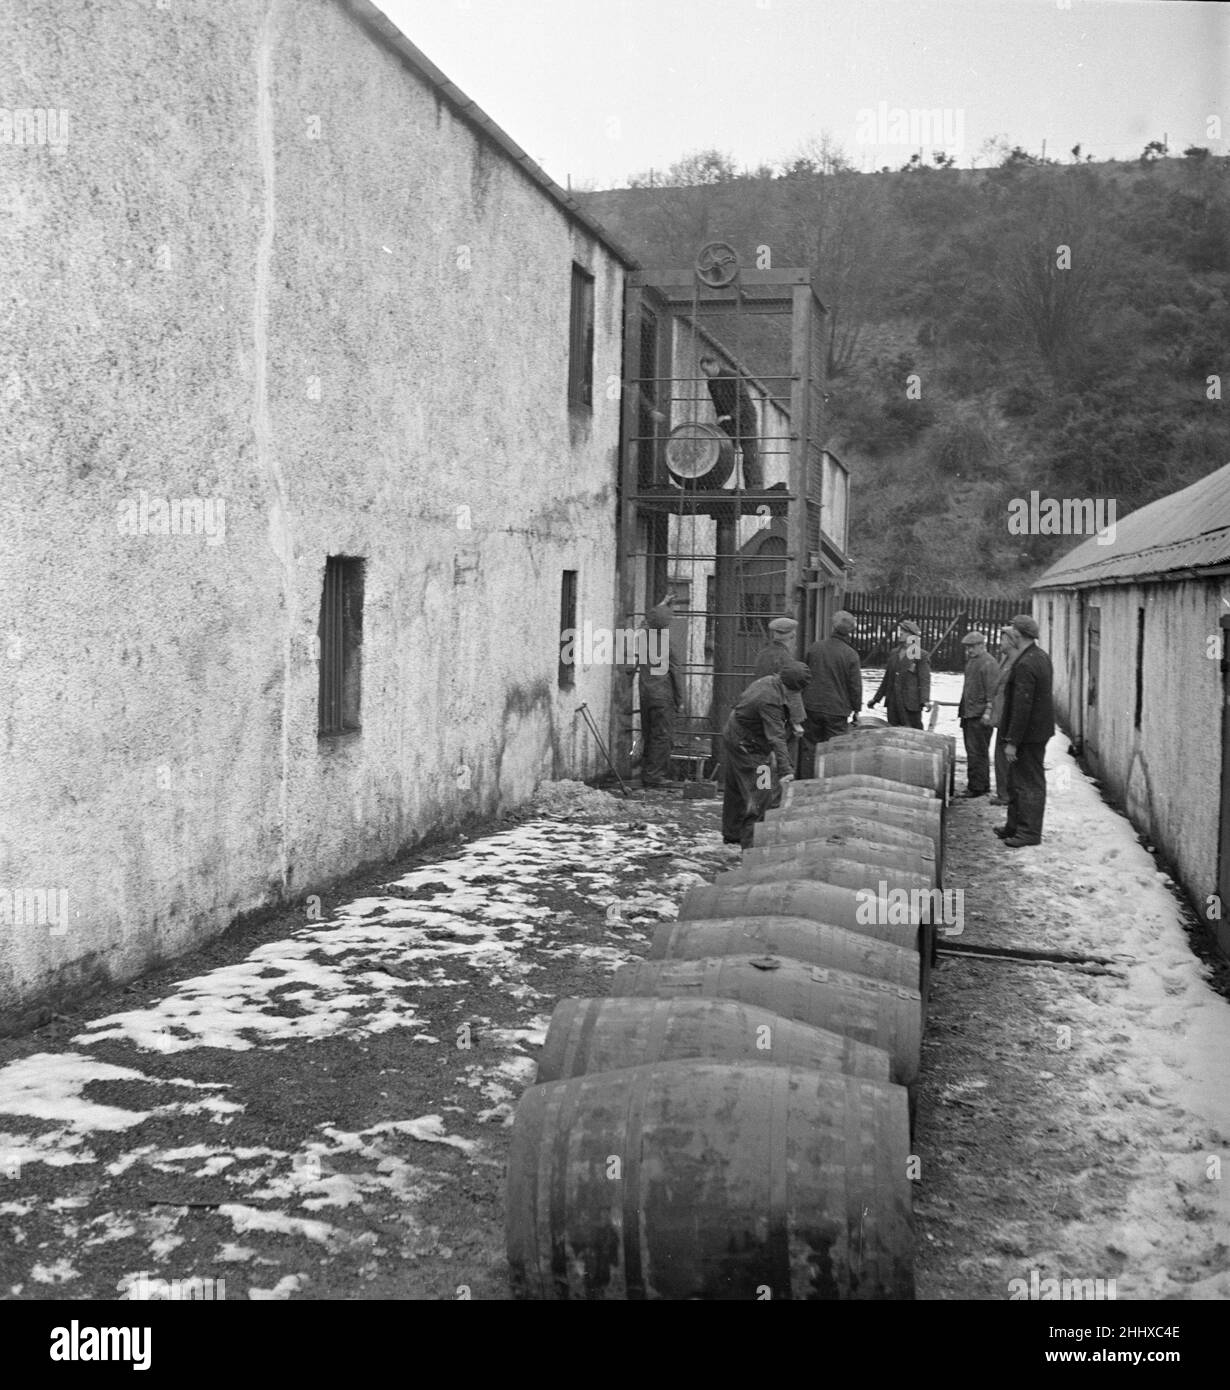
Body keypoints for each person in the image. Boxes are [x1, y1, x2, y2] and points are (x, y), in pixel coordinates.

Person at [721, 661, 812, 848]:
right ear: (790, 687)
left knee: (736, 788)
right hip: (748, 746)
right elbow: (776, 737)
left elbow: (788, 704)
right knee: (761, 792)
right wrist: (786, 770)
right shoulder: (769, 699)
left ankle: (732, 832)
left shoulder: (771, 681)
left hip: (735, 734)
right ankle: (751, 846)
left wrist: (794, 721)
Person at [993, 613, 1055, 849]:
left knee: (1028, 782)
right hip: (1034, 732)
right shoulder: (1038, 656)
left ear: (1018, 635)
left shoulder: (1028, 662)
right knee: (1016, 779)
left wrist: (1013, 741)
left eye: (1012, 632)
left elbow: (1023, 706)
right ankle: (1014, 826)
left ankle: (1029, 832)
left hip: (1029, 735)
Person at [800, 609, 863, 778]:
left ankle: (804, 786)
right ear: (851, 631)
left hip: (811, 706)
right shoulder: (851, 655)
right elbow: (855, 686)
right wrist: (857, 709)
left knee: (809, 748)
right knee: (835, 751)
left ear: (833, 626)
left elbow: (803, 675)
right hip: (837, 711)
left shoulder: (815, 647)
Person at [638, 597, 683, 789]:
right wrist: (680, 699)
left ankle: (647, 771)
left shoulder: (642, 637)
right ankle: (654, 775)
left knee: (649, 733)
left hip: (646, 694)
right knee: (662, 736)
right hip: (663, 696)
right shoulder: (666, 644)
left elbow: (647, 621)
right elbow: (676, 673)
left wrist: (662, 604)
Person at [699, 353, 762, 490]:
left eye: (707, 370)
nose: (706, 374)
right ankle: (715, 485)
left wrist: (730, 416)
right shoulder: (711, 383)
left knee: (750, 455)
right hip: (728, 422)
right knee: (722, 454)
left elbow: (743, 400)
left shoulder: (733, 376)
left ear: (714, 365)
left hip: (745, 420)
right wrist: (720, 421)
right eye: (704, 372)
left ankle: (754, 488)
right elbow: (718, 404)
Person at [753, 616, 806, 773]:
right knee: (784, 759)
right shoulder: (787, 659)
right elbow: (792, 691)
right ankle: (781, 792)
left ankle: (762, 790)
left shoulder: (762, 655)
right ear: (791, 636)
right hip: (779, 715)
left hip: (759, 710)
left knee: (764, 756)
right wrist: (797, 721)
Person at [957, 630, 1000, 797]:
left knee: (978, 751)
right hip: (969, 713)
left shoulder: (989, 663)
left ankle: (977, 787)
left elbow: (992, 692)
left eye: (973, 647)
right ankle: (981, 784)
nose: (969, 650)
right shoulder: (972, 662)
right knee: (973, 751)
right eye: (968, 647)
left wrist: (988, 713)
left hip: (979, 715)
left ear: (982, 645)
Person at [982, 626, 1022, 805]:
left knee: (1004, 756)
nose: (1000, 642)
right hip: (1001, 715)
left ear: (1012, 641)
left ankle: (1005, 795)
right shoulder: (1005, 659)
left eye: (1003, 639)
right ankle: (1003, 792)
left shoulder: (1017, 662)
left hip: (1008, 716)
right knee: (999, 755)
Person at [868, 620, 931, 729]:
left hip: (910, 704)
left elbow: (924, 680)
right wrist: (876, 699)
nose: (900, 633)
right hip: (893, 703)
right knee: (892, 731)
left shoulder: (920, 655)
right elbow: (887, 679)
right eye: (900, 630)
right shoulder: (894, 653)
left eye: (904, 631)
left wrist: (925, 700)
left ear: (913, 636)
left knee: (914, 732)